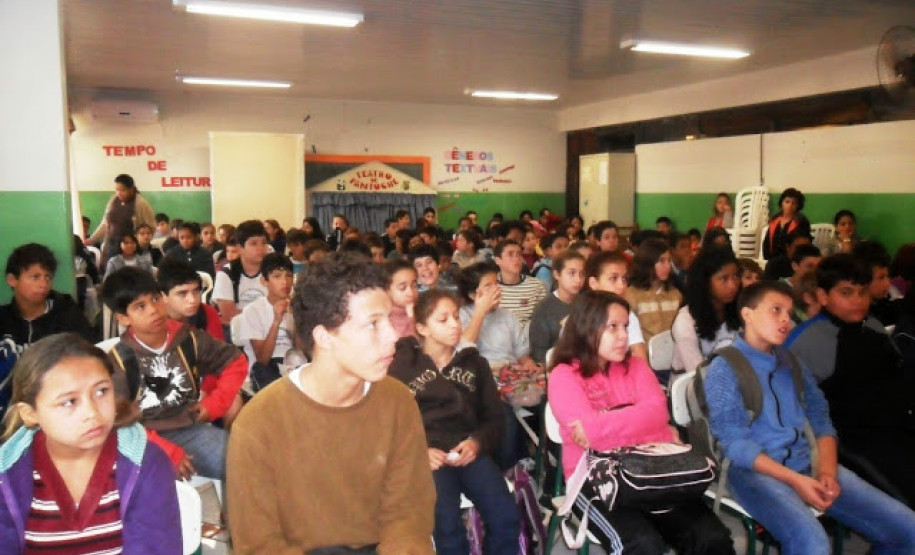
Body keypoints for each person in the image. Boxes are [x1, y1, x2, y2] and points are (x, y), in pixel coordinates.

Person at [227, 252, 435, 553]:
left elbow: (408, 515)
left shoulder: (397, 401)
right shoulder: (259, 422)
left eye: (389, 319)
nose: (393, 336)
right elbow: (259, 544)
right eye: (373, 324)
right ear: (324, 337)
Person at [705, 281, 915, 554]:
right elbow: (735, 444)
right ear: (747, 314)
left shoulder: (790, 361)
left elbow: (820, 417)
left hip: (807, 462)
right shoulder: (725, 368)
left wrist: (827, 470)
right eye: (776, 310)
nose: (786, 319)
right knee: (813, 544)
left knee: (909, 529)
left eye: (789, 313)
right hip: (754, 472)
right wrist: (796, 481)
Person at [549, 290, 735, 555]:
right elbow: (591, 439)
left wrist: (603, 423)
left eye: (625, 326)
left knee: (711, 538)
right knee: (642, 544)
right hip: (594, 477)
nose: (623, 335)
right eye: (612, 327)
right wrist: (647, 425)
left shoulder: (636, 367)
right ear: (585, 327)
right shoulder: (564, 375)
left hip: (655, 468)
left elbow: (657, 413)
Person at [0, 334, 181, 554]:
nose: (92, 413)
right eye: (69, 402)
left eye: (101, 391)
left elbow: (156, 547)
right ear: (30, 414)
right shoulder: (7, 475)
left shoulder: (147, 463)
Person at [389, 290, 519, 555]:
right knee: (446, 525)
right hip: (428, 458)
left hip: (468, 452)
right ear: (422, 328)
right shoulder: (402, 367)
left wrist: (477, 443)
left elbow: (494, 418)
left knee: (506, 516)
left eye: (457, 317)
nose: (454, 325)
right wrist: (420, 451)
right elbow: (390, 422)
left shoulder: (475, 364)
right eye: (443, 319)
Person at [787, 254, 915, 506]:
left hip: (896, 427)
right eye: (846, 293)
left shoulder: (873, 327)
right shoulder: (805, 342)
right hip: (849, 442)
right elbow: (796, 411)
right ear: (823, 296)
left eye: (862, 292)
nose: (857, 300)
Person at [101, 267, 247, 480]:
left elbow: (235, 362)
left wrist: (214, 404)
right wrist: (164, 450)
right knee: (147, 482)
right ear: (123, 318)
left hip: (189, 430)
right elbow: (116, 423)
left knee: (247, 458)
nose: (154, 310)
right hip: (140, 439)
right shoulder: (118, 362)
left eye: (155, 299)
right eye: (140, 306)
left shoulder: (188, 339)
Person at [1, 243, 95, 418]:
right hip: (9, 409)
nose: (43, 284)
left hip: (61, 405)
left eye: (47, 277)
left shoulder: (67, 314)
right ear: (12, 280)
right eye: (35, 277)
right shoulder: (3, 319)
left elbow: (89, 357)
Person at [671, 246, 741, 374]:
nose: (733, 285)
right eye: (724, 279)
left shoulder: (740, 311)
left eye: (736, 276)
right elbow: (697, 372)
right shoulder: (685, 321)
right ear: (705, 282)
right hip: (694, 382)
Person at [238, 253, 295, 391]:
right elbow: (262, 359)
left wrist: (294, 319)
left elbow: (304, 350)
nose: (285, 282)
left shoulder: (298, 307)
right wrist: (276, 322)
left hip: (293, 363)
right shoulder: (253, 310)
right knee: (264, 373)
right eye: (277, 276)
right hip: (267, 366)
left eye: (288, 276)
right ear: (264, 281)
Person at [585, 250, 648, 360]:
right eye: (613, 278)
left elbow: (640, 359)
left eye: (624, 279)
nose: (622, 285)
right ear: (593, 283)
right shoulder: (580, 317)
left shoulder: (628, 316)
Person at [86, 174, 156, 267]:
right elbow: (105, 224)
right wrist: (91, 240)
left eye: (123, 190)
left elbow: (151, 227)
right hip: (111, 245)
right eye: (117, 190)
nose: (119, 193)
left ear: (131, 189)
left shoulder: (141, 204)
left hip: (130, 248)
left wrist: (142, 243)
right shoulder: (113, 200)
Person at [529, 250, 584, 364]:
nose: (578, 279)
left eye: (582, 274)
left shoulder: (588, 304)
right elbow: (539, 353)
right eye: (572, 273)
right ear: (557, 274)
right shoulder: (544, 308)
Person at [211, 219, 269, 329]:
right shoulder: (226, 274)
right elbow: (229, 315)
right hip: (238, 330)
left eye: (264, 242)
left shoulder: (273, 272)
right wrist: (267, 314)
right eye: (253, 243)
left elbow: (281, 308)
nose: (261, 248)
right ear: (240, 248)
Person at [625, 238, 683, 343]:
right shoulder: (631, 295)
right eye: (662, 261)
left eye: (669, 260)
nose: (668, 266)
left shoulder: (675, 294)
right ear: (647, 263)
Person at [157, 257, 223, 341]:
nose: (192, 300)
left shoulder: (207, 313)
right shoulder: (154, 322)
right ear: (163, 296)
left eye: (196, 291)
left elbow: (217, 348)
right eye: (182, 294)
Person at [493, 240, 547, 330]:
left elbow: (542, 317)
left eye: (519, 254)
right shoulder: (491, 286)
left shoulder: (536, 285)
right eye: (510, 254)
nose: (516, 258)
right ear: (498, 260)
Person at [853, 240, 901, 327]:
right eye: (881, 278)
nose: (887, 283)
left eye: (888, 276)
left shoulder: (887, 304)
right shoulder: (854, 315)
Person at [763, 187, 811, 260]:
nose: (790, 205)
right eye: (787, 202)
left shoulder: (801, 221)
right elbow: (767, 242)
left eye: (794, 203)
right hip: (772, 259)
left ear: (798, 205)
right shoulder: (775, 219)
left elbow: (804, 246)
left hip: (792, 261)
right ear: (781, 203)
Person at [385, 258, 419, 338]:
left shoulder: (423, 310)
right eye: (402, 288)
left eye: (414, 286)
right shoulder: (385, 320)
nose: (410, 293)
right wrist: (411, 319)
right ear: (386, 290)